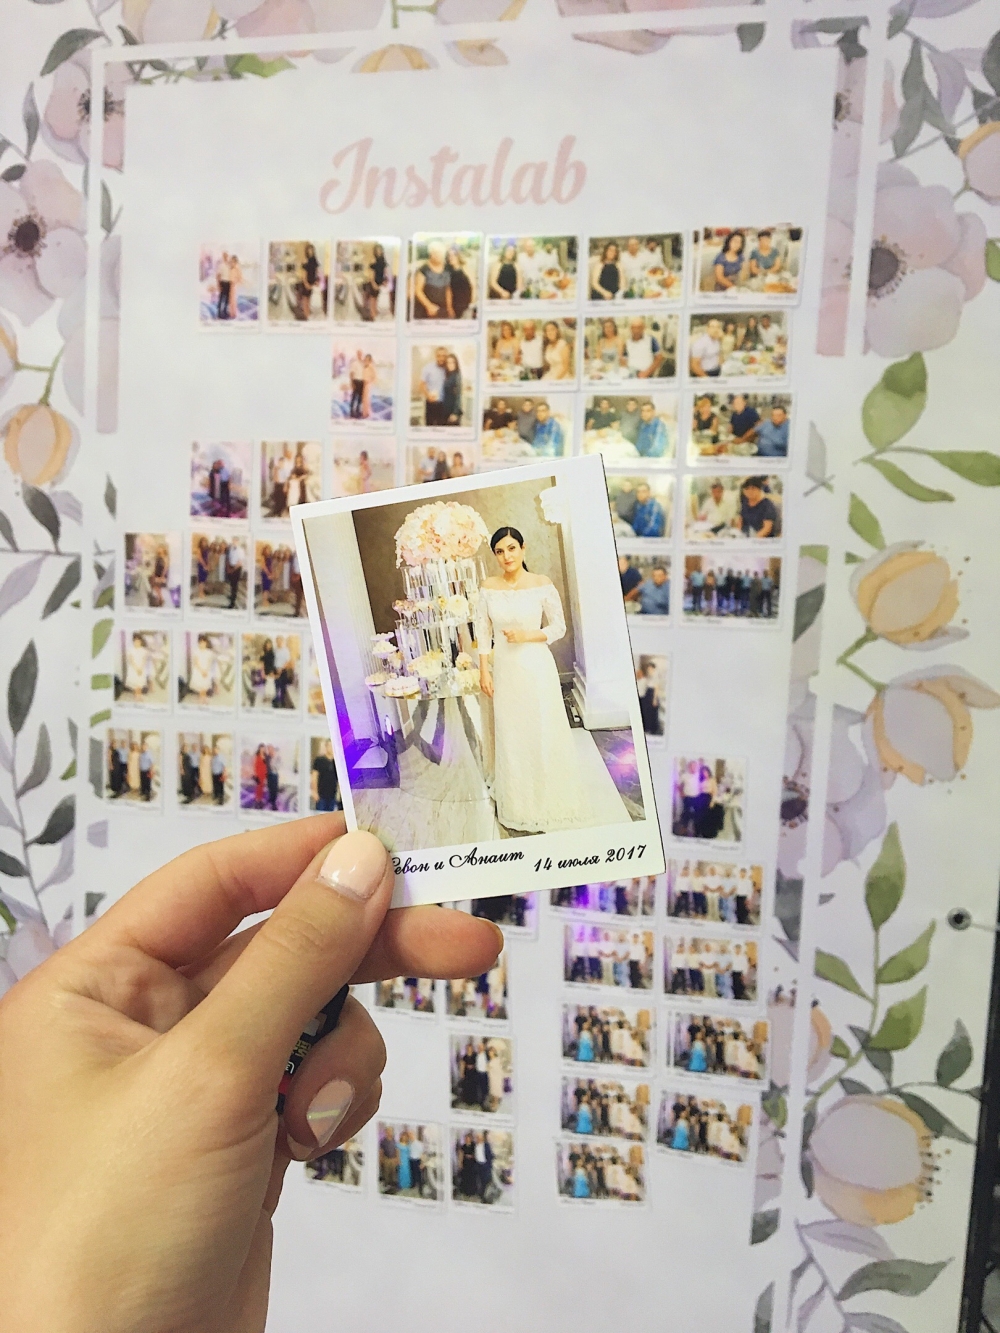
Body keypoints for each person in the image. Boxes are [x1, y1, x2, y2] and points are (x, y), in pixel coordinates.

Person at [477, 527, 613, 833]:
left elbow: (558, 627)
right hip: (505, 670)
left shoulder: (541, 584)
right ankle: (519, 801)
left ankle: (548, 795)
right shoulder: (488, 587)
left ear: (523, 548)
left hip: (536, 667)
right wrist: (484, 670)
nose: (506, 556)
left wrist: (527, 635)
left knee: (541, 729)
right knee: (512, 732)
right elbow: (482, 633)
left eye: (511, 548)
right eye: (499, 551)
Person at [412, 239, 453, 319]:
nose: (439, 256)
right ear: (431, 254)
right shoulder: (423, 269)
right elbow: (418, 291)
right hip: (425, 310)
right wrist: (429, 306)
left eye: (441, 254)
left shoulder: (447, 269)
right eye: (436, 253)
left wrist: (449, 308)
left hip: (442, 308)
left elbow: (448, 290)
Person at [419, 346, 448, 427]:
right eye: (439, 356)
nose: (441, 358)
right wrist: (428, 396)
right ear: (435, 356)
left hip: (444, 404)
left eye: (444, 356)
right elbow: (421, 384)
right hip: (431, 403)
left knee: (443, 428)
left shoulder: (448, 368)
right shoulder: (428, 368)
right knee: (430, 427)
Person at [446, 244, 473, 319]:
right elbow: (448, 290)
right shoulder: (448, 271)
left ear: (458, 256)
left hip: (467, 305)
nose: (451, 258)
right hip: (454, 305)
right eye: (449, 255)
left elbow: (473, 286)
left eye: (453, 255)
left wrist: (471, 304)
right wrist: (449, 308)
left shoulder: (466, 269)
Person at [299, 242, 321, 320]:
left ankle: (309, 314)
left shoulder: (315, 260)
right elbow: (304, 274)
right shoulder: (305, 261)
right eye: (309, 250)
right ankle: (306, 315)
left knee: (311, 298)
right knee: (305, 299)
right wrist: (306, 283)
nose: (310, 252)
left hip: (313, 281)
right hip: (306, 281)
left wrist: (317, 280)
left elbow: (317, 271)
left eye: (311, 250)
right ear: (307, 251)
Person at [124, 633, 150, 699]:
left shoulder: (144, 650)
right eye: (135, 641)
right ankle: (136, 696)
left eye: (138, 641)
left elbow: (144, 660)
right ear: (133, 642)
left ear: (141, 641)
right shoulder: (130, 650)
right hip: (133, 668)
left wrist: (141, 668)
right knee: (135, 683)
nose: (137, 643)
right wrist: (136, 669)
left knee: (140, 683)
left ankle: (139, 695)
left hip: (141, 668)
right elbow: (131, 661)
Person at [441, 353, 463, 426]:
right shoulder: (448, 375)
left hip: (453, 411)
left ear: (456, 364)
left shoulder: (457, 376)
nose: (450, 365)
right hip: (446, 409)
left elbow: (458, 395)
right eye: (448, 362)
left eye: (452, 362)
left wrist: (455, 413)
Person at [225, 539, 243, 610]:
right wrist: (228, 568)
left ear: (238, 542)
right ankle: (232, 595)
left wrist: (232, 570)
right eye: (233, 541)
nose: (234, 543)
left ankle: (232, 602)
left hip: (237, 568)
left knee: (235, 585)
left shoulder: (240, 550)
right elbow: (228, 559)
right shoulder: (230, 549)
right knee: (231, 584)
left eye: (235, 541)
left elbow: (240, 563)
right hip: (231, 567)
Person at [348, 349, 365, 419]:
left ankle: (358, 411)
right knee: (354, 397)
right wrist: (352, 383)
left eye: (361, 354)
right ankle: (351, 412)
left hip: (362, 382)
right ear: (357, 355)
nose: (360, 355)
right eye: (359, 354)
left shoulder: (363, 363)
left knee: (360, 398)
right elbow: (351, 373)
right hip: (356, 381)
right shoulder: (354, 363)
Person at [215, 251, 231, 320]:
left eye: (227, 256)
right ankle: (219, 313)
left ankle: (225, 312)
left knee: (227, 299)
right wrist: (218, 285)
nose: (226, 257)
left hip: (228, 283)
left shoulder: (229, 265)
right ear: (223, 257)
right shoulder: (221, 265)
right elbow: (218, 276)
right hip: (223, 282)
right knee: (221, 298)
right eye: (225, 256)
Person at [138, 738, 155, 802]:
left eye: (145, 746)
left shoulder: (149, 754)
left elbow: (152, 763)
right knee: (143, 782)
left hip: (148, 771)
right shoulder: (141, 754)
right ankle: (143, 792)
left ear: (147, 747)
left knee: (148, 783)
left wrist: (151, 771)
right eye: (143, 746)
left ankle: (148, 796)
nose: (144, 747)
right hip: (142, 770)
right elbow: (140, 762)